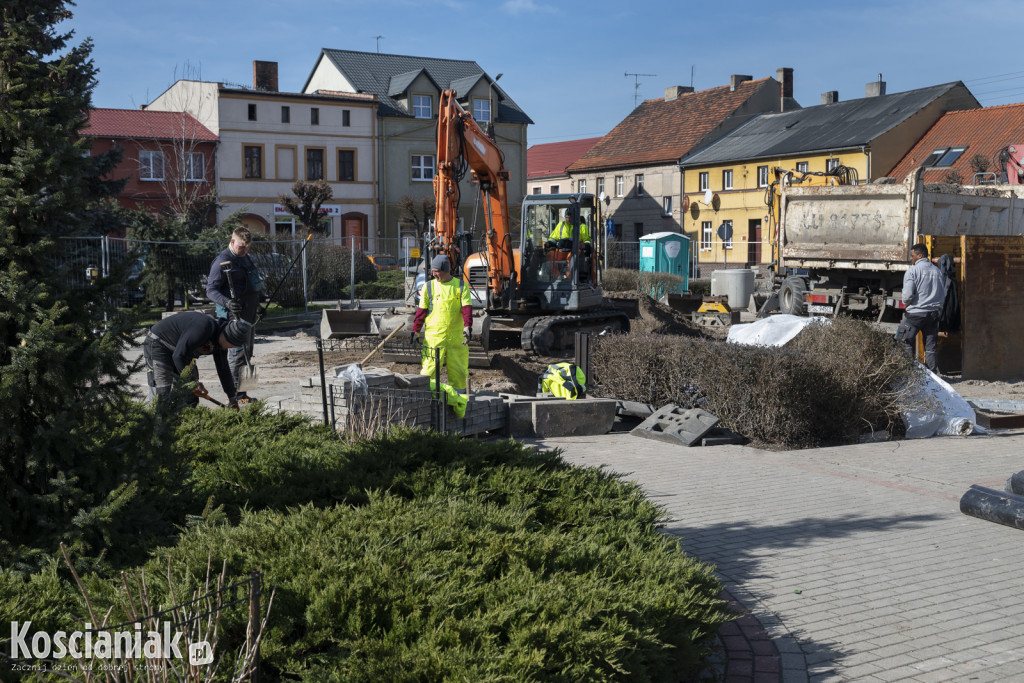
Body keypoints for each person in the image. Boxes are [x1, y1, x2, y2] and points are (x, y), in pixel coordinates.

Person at [143, 311, 252, 407]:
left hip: (182, 352)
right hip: (159, 344)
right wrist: (190, 383)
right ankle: (155, 424)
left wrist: (232, 398)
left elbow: (223, 369)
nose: (231, 348)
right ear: (226, 336)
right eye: (231, 345)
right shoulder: (203, 328)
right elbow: (178, 356)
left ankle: (187, 425)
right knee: (163, 391)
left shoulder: (220, 342)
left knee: (192, 396)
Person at [206, 227, 263, 392]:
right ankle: (233, 396)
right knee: (238, 355)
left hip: (250, 314)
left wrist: (258, 307)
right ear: (232, 242)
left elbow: (250, 286)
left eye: (247, 247)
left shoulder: (246, 258)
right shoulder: (221, 262)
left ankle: (243, 393)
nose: (245, 250)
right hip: (233, 317)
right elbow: (210, 290)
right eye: (241, 247)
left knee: (247, 353)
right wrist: (227, 302)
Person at [410, 254, 473, 394]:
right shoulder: (428, 287)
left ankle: (459, 402)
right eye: (432, 271)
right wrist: (415, 331)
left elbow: (467, 308)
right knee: (428, 370)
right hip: (434, 339)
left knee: (459, 372)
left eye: (436, 271)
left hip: (456, 339)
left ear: (445, 270)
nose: (434, 274)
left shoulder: (461, 286)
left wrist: (468, 327)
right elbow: (421, 312)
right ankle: (428, 398)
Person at [898, 243, 948, 373]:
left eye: (912, 255)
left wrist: (908, 303)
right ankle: (932, 375)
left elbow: (907, 296)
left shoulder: (912, 271)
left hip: (915, 314)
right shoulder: (938, 271)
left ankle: (909, 373)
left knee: (902, 339)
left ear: (920, 255)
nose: (911, 258)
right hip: (933, 314)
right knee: (930, 347)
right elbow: (943, 294)